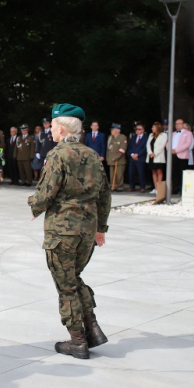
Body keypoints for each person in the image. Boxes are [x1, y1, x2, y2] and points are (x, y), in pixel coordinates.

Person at [28, 103, 111, 360]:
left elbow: (46, 193)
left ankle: (77, 341)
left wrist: (33, 205)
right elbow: (105, 195)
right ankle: (93, 329)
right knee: (73, 277)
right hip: (86, 230)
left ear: (61, 128)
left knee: (65, 286)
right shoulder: (93, 156)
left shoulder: (57, 155)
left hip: (62, 231)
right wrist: (100, 228)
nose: (50, 130)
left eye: (52, 126)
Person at [146, 121, 167, 194]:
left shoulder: (163, 135)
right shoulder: (150, 135)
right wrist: (150, 153)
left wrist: (155, 153)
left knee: (159, 171)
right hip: (151, 156)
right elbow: (148, 144)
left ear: (157, 128)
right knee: (154, 172)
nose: (152, 128)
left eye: (153, 127)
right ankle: (155, 188)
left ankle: (159, 189)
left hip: (159, 156)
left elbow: (162, 145)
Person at [106, 124, 127, 191]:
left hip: (119, 160)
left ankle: (119, 186)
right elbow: (108, 149)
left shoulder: (122, 137)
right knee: (112, 174)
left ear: (118, 130)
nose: (111, 131)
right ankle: (113, 185)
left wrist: (116, 157)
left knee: (119, 174)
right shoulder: (110, 137)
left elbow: (123, 149)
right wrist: (107, 157)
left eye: (113, 129)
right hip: (111, 159)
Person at [127, 124, 148, 192]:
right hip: (132, 157)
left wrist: (138, 154)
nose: (137, 130)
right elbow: (129, 147)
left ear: (143, 130)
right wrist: (132, 154)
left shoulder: (146, 138)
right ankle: (132, 186)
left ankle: (142, 187)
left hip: (140, 158)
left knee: (141, 173)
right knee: (131, 172)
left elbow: (145, 148)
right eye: (136, 129)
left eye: (139, 129)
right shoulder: (133, 137)